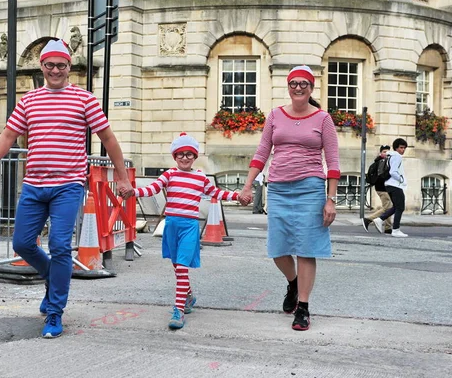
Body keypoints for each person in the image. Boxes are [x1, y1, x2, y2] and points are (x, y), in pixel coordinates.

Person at [0, 39, 133, 339]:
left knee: (60, 246)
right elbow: (8, 135)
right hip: (34, 185)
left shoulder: (85, 99)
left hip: (68, 185)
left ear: (69, 67)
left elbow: (108, 139)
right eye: (50, 65)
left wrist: (122, 177)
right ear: (42, 66)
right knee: (21, 244)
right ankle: (53, 276)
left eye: (61, 65)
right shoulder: (29, 101)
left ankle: (55, 311)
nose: (55, 70)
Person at [238, 65, 340, 331]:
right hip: (280, 189)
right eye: (293, 83)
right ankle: (293, 282)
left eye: (303, 83)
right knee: (278, 248)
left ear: (311, 88)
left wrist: (331, 200)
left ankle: (303, 308)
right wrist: (248, 185)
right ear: (288, 86)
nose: (298, 87)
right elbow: (262, 152)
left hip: (311, 189)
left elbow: (333, 161)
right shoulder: (275, 116)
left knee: (307, 249)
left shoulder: (322, 119)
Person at [132, 133, 239, 330]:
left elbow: (217, 192)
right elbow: (153, 189)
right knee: (176, 267)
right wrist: (133, 192)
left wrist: (238, 195)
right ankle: (188, 296)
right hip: (171, 225)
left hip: (189, 226)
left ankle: (178, 310)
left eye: (189, 154)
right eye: (180, 154)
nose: (185, 157)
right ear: (175, 156)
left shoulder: (200, 177)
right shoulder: (169, 175)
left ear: (195, 156)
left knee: (182, 267)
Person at [373, 138, 408, 238]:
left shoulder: (391, 156)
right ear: (396, 148)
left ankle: (379, 219)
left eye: (404, 148)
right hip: (395, 185)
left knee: (396, 207)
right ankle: (396, 229)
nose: (403, 150)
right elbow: (393, 172)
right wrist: (401, 179)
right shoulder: (396, 156)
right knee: (400, 207)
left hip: (389, 185)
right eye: (401, 147)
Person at [362, 145, 393, 234]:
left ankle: (388, 228)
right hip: (383, 188)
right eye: (384, 152)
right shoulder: (382, 162)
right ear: (380, 153)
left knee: (388, 207)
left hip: (382, 188)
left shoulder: (380, 162)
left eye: (387, 152)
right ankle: (368, 219)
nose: (386, 153)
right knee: (388, 207)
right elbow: (383, 176)